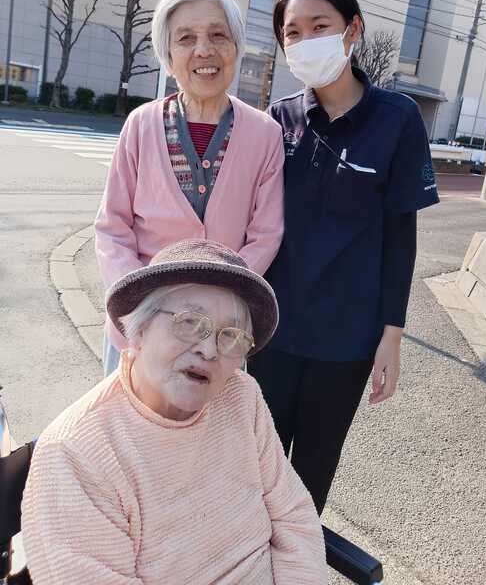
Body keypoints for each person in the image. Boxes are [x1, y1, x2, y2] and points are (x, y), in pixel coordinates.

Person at [21, 240, 327, 585]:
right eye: (191, 322)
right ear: (139, 330)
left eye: (230, 335)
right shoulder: (76, 454)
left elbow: (293, 514)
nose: (209, 350)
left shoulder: (241, 396)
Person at [248, 0, 439, 515]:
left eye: (320, 26)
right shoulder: (278, 120)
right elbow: (253, 224)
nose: (305, 41)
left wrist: (392, 335)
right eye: (293, 32)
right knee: (254, 468)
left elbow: (400, 236)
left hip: (346, 341)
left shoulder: (397, 119)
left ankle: (298, 558)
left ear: (352, 29)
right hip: (273, 333)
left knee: (311, 476)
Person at [95, 0, 284, 376]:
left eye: (218, 35)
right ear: (168, 54)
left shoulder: (265, 133)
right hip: (142, 325)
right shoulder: (141, 125)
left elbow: (266, 234)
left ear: (237, 47)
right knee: (132, 415)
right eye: (185, 38)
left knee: (214, 417)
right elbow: (113, 227)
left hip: (221, 332)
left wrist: (220, 301)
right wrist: (137, 307)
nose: (203, 50)